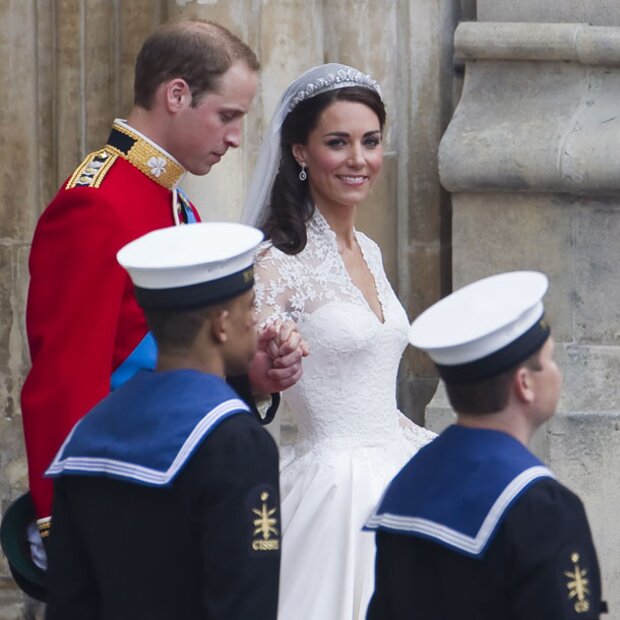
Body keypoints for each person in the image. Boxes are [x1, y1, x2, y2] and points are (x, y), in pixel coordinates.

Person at [17, 17, 305, 582]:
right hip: (129, 499)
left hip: (177, 486)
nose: (235, 138)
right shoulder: (96, 205)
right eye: (227, 116)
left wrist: (249, 377)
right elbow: (65, 384)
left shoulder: (170, 200)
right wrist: (67, 527)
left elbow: (165, 359)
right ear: (177, 94)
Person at [242, 63, 435, 620]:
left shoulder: (371, 251)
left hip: (399, 463)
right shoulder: (273, 262)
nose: (359, 159)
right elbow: (244, 371)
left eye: (370, 141)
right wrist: (270, 355)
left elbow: (372, 385)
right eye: (338, 142)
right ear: (300, 152)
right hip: (335, 492)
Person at [44, 221, 281, 619]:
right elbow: (245, 603)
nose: (255, 320)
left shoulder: (88, 434)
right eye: (252, 305)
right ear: (221, 324)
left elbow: (69, 602)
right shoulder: (236, 443)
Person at [365, 271, 607, 619]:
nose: (556, 372)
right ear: (525, 384)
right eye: (550, 359)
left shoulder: (407, 484)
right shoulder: (544, 510)